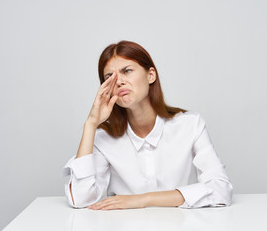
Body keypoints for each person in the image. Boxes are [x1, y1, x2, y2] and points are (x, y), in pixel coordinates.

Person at [63, 40, 233, 210]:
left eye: (127, 71)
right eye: (109, 77)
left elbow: (221, 190)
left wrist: (143, 200)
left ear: (151, 75)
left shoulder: (190, 124)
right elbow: (80, 199)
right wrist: (91, 124)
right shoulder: (104, 137)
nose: (119, 81)